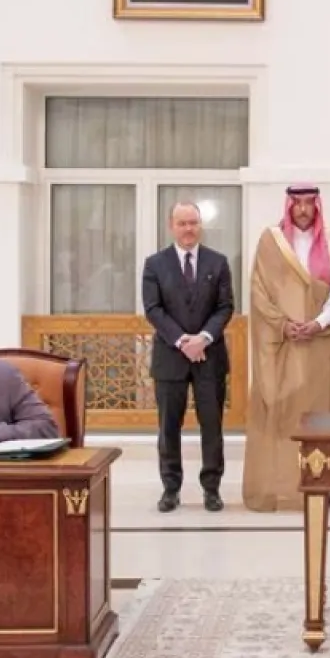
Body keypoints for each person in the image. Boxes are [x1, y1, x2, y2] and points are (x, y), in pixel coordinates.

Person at [243, 185, 330, 513]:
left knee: (329, 417)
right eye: (298, 203)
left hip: (322, 347)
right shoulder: (271, 241)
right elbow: (259, 291)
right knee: (286, 415)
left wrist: (318, 323)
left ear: (318, 205)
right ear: (289, 206)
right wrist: (285, 324)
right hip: (286, 346)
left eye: (310, 203)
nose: (304, 209)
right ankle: (281, 484)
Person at [141, 201, 235, 513]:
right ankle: (171, 488)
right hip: (171, 358)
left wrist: (203, 338)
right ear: (172, 226)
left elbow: (225, 307)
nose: (188, 229)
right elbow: (153, 309)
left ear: (200, 225)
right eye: (182, 223)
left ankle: (212, 489)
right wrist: (183, 341)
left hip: (210, 357)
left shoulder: (218, 262)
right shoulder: (155, 264)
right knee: (169, 428)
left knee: (212, 426)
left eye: (193, 223)